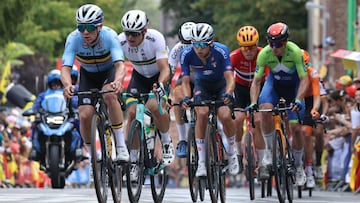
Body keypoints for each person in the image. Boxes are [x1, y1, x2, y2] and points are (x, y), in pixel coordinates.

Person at [61, 4, 129, 162]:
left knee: (110, 96)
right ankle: (93, 157)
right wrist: (67, 85)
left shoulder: (110, 36)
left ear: (100, 26)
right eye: (81, 27)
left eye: (90, 27)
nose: (85, 32)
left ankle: (120, 146)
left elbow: (120, 65)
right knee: (84, 116)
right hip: (88, 75)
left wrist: (118, 81)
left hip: (108, 72)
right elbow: (65, 68)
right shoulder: (73, 39)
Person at [246, 22, 309, 186]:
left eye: (278, 43)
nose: (274, 47)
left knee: (296, 129)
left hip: (293, 88)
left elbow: (304, 79)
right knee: (265, 111)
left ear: (286, 41)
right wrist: (253, 102)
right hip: (274, 85)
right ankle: (268, 152)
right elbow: (256, 82)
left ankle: (298, 165)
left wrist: (298, 100)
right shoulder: (264, 54)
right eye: (270, 43)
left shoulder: (295, 52)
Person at [180, 23, 239, 176]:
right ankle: (201, 162)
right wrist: (187, 97)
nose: (198, 48)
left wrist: (228, 93)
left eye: (202, 45)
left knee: (225, 115)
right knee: (201, 114)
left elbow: (230, 78)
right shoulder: (186, 54)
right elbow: (185, 81)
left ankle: (232, 154)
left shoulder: (221, 51)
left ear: (211, 43)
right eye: (195, 44)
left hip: (221, 85)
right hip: (202, 85)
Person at [118, 10, 174, 169]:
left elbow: (164, 69)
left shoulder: (155, 38)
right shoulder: (120, 41)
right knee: (132, 113)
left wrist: (161, 85)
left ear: (144, 31)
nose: (130, 38)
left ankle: (166, 141)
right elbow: (117, 66)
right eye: (127, 33)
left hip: (158, 76)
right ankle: (134, 161)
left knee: (156, 107)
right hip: (139, 76)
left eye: (134, 34)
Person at [230, 25, 267, 174]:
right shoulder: (234, 56)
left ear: (257, 44)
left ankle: (263, 163)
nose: (249, 51)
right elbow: (227, 77)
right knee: (238, 120)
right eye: (245, 48)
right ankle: (238, 154)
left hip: (259, 87)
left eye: (252, 47)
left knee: (258, 122)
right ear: (240, 47)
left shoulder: (263, 54)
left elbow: (269, 77)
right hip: (241, 88)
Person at [30, 69, 82, 161]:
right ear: (49, 84)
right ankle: (34, 149)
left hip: (65, 118)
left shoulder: (67, 93)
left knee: (77, 123)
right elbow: (36, 105)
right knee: (35, 125)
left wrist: (78, 109)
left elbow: (75, 104)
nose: (56, 86)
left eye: (58, 84)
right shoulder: (43, 95)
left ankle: (79, 148)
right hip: (47, 118)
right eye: (53, 84)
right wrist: (32, 110)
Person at [168, 22, 196, 158]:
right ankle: (182, 139)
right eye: (184, 42)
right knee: (177, 98)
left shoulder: (205, 46)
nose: (188, 46)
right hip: (186, 77)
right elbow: (169, 73)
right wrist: (165, 93)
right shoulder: (177, 49)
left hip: (203, 77)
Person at [299, 49, 322, 188]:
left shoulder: (313, 73)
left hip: (309, 101)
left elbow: (317, 97)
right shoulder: (291, 73)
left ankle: (308, 168)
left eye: (306, 65)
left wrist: (314, 109)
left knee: (307, 133)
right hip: (295, 98)